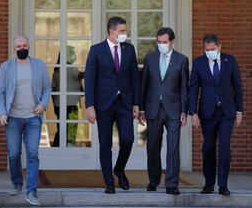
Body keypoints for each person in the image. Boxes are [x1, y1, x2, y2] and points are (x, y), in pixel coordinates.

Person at [85, 16, 140, 194]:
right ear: (112, 31)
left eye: (125, 30)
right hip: (103, 105)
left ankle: (119, 169)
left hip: (124, 103)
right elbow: (90, 79)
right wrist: (90, 106)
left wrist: (136, 104)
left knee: (128, 139)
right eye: (122, 31)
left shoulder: (129, 49)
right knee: (105, 143)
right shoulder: (96, 50)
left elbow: (134, 78)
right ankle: (109, 182)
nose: (125, 34)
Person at [0, 35, 51, 206]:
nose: (22, 48)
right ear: (14, 48)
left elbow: (47, 88)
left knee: (33, 154)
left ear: (29, 46)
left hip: (33, 117)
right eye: (19, 46)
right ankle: (17, 183)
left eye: (24, 45)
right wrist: (2, 112)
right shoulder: (6, 67)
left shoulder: (39, 65)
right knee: (13, 154)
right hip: (13, 118)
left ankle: (31, 190)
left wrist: (43, 104)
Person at [189, 33, 243, 196]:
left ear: (219, 47)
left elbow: (237, 86)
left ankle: (223, 184)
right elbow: (193, 89)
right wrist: (193, 112)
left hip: (227, 111)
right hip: (207, 112)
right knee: (208, 147)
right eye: (207, 49)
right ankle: (209, 183)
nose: (209, 52)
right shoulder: (199, 63)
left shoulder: (230, 61)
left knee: (225, 146)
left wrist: (239, 110)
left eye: (212, 49)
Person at [139, 27, 189, 195]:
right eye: (159, 42)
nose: (161, 45)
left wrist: (184, 111)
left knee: (173, 147)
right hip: (153, 109)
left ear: (172, 42)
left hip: (174, 110)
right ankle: (153, 181)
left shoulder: (182, 60)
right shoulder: (150, 58)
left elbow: (184, 88)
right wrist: (142, 109)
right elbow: (144, 85)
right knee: (152, 146)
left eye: (164, 42)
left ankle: (172, 184)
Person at [52, 46, 84, 147]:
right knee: (70, 128)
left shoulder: (57, 70)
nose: (74, 55)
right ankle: (68, 147)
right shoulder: (70, 68)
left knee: (61, 128)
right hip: (70, 104)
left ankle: (57, 148)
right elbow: (79, 76)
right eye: (72, 52)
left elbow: (53, 88)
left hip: (59, 104)